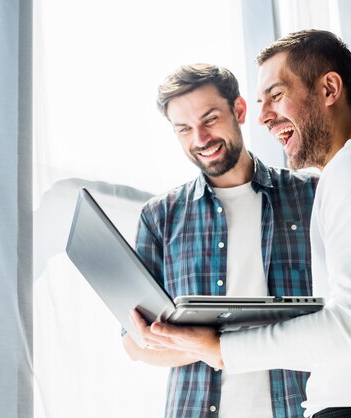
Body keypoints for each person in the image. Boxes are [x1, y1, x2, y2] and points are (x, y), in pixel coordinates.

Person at [145, 30, 351, 418]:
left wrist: (221, 349)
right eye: (261, 101)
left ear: (329, 88)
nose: (265, 116)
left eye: (277, 95)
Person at [122, 63, 318, 418]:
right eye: (184, 129)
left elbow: (342, 314)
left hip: (300, 407)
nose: (200, 139)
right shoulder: (159, 217)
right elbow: (135, 343)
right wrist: (209, 346)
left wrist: (204, 342)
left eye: (209, 119)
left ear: (239, 110)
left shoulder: (311, 196)